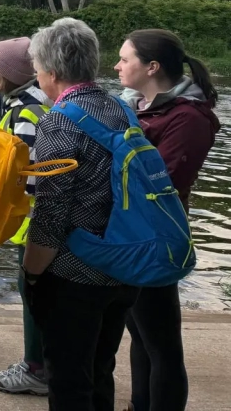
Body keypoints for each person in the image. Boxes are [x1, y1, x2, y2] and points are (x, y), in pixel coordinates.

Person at [23, 17, 140, 411]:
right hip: (123, 264)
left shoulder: (60, 120)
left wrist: (32, 271)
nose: (37, 77)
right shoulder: (123, 110)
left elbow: (51, 212)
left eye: (38, 70)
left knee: (70, 381)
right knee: (99, 370)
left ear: (53, 72)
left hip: (77, 273)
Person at [116, 29, 221, 411]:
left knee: (162, 345)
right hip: (132, 235)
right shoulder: (140, 107)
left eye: (125, 59)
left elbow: (162, 181)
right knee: (141, 335)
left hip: (156, 238)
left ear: (152, 67)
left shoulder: (189, 118)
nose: (117, 66)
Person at [0, 37, 53, 397]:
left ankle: (35, 368)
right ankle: (45, 365)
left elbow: (24, 177)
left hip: (31, 223)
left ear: (9, 73)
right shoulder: (38, 103)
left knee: (31, 293)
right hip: (44, 220)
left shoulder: (23, 113)